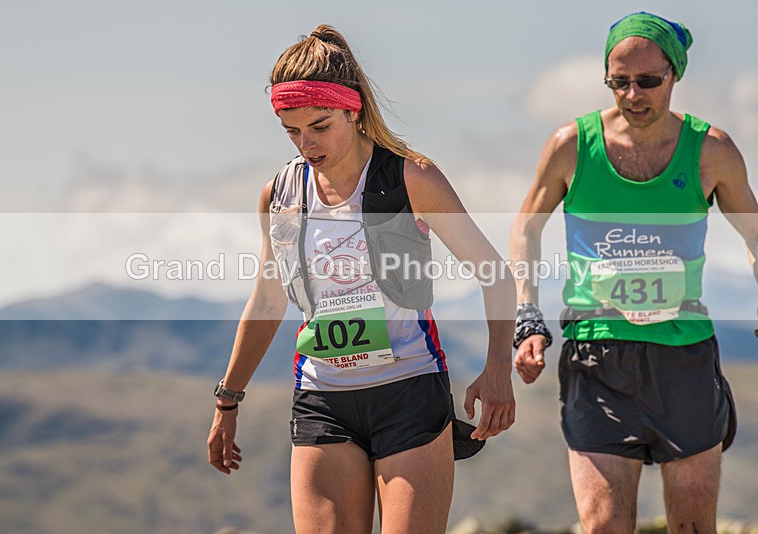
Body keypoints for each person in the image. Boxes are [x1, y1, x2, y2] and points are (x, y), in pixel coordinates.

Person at [207, 24, 516, 533]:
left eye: (320, 125)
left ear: (353, 109)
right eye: (291, 130)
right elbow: (267, 301)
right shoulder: (280, 194)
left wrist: (497, 368)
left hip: (409, 391)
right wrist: (227, 399)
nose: (307, 143)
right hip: (321, 398)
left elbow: (495, 275)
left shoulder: (411, 178)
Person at [509, 12, 758, 533]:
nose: (633, 94)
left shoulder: (710, 150)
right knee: (603, 526)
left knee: (692, 527)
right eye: (618, 82)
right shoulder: (571, 145)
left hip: (682, 357)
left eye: (648, 81)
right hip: (597, 354)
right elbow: (525, 230)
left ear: (675, 74)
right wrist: (528, 314)